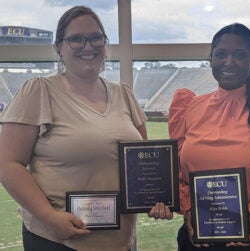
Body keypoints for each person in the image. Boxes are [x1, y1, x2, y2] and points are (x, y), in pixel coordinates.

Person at [0, 5, 172, 251]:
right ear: (59, 47)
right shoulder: (38, 91)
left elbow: (142, 166)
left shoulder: (123, 94)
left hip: (122, 240)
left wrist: (156, 198)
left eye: (95, 38)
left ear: (105, 42)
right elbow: (8, 164)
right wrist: (49, 217)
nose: (88, 46)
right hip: (58, 240)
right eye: (76, 39)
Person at [168, 23, 250, 251]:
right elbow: (177, 173)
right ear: (211, 58)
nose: (229, 62)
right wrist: (188, 206)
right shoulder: (189, 108)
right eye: (221, 54)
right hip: (200, 238)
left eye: (239, 55)